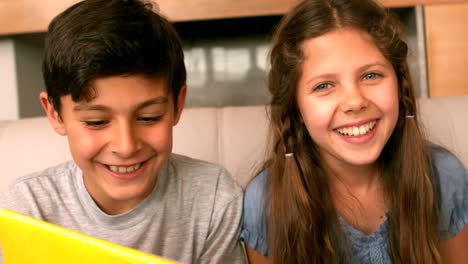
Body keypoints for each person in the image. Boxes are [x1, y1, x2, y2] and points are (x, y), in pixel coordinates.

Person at [0, 0, 246, 263]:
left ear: (178, 104)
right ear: (54, 113)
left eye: (148, 117)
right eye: (96, 122)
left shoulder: (214, 198)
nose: (126, 146)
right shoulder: (28, 208)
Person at [240, 0, 468, 263]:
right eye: (324, 85)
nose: (355, 101)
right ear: (295, 109)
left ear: (401, 86)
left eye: (371, 76)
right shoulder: (266, 202)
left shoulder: (443, 176)